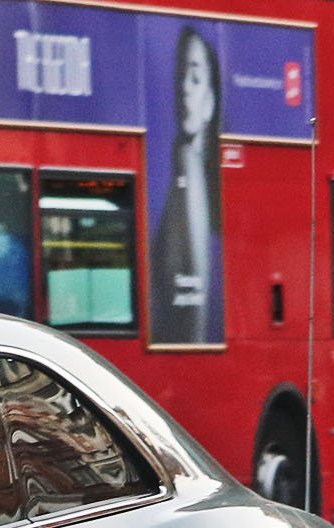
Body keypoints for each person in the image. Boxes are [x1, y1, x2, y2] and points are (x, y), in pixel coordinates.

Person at [150, 27, 224, 345]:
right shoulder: (184, 164)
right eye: (181, 76)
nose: (183, 88)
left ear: (210, 102)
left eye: (194, 78)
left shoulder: (187, 161)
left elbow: (193, 307)